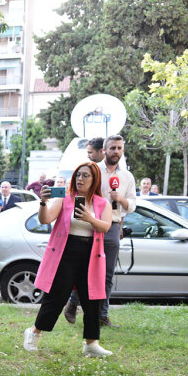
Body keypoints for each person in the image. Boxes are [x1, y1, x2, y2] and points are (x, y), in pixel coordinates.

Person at [23, 162, 113, 357]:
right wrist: (43, 203)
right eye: (78, 175)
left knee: (92, 299)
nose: (80, 179)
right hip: (66, 252)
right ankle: (33, 333)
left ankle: (91, 344)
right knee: (57, 297)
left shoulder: (102, 203)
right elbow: (45, 219)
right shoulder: (65, 198)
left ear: (94, 179)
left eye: (85, 176)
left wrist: (90, 218)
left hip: (91, 255)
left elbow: (105, 227)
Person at [63, 135, 136, 328]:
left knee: (107, 274)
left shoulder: (127, 177)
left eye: (119, 148)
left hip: (111, 226)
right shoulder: (94, 171)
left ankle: (102, 315)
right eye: (112, 148)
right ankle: (73, 303)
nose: (116, 151)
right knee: (85, 270)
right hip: (88, 225)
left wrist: (120, 199)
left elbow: (132, 206)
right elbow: (79, 194)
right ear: (104, 150)